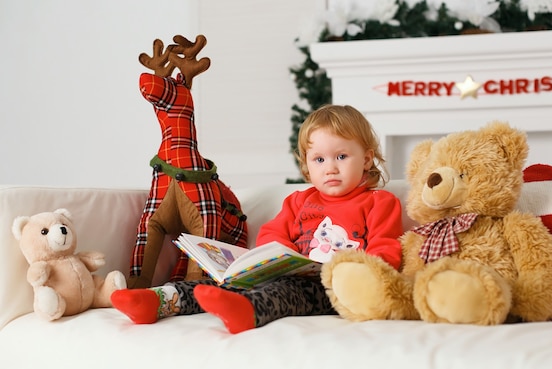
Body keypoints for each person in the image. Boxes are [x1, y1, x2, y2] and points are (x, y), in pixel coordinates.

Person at [110, 104, 405, 333]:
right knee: (222, 281)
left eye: (341, 157)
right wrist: (277, 258)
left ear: (366, 159)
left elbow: (386, 252)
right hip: (291, 273)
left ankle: (246, 312)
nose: (330, 168)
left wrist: (358, 276)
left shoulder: (379, 202)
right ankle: (159, 300)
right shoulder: (298, 201)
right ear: (307, 164)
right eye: (319, 159)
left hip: (334, 289)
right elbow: (270, 236)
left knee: (286, 293)